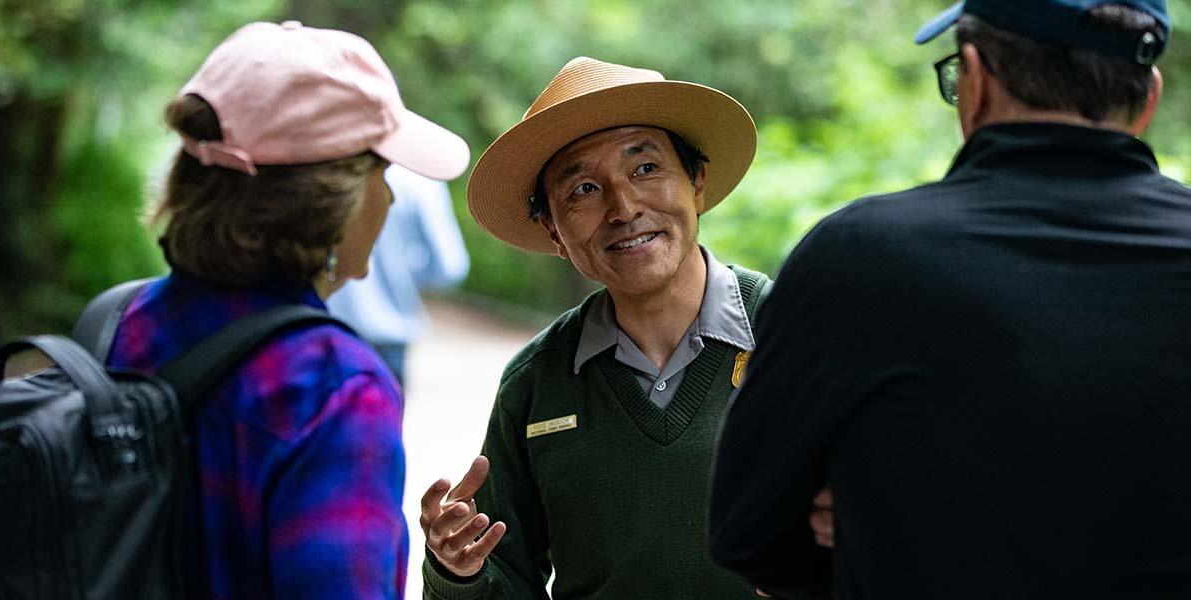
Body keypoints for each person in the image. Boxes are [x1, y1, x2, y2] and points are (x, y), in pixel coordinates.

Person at [709, 0, 1191, 598]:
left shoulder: (859, 258)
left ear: (975, 80)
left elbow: (745, 531)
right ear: (1149, 98)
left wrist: (876, 529)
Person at [415, 57, 820, 600]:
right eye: (582, 189)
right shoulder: (537, 384)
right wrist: (456, 572)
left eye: (646, 168)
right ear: (554, 232)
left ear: (696, 181)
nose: (623, 208)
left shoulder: (801, 334)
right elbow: (504, 577)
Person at [104, 21, 469, 599]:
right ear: (332, 197)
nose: (391, 196)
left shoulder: (122, 320)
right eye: (382, 172)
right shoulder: (336, 388)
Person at [327, 164, 470, 385]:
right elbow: (450, 267)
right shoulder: (422, 179)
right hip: (388, 344)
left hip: (327, 333)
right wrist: (405, 273)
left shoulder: (335, 166)